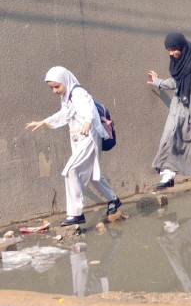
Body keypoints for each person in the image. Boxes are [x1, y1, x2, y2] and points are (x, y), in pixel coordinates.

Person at [25, 67, 121, 226]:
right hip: (78, 138)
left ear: (65, 81)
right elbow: (65, 115)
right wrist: (44, 122)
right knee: (92, 174)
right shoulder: (67, 97)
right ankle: (113, 200)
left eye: (57, 86)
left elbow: (88, 109)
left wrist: (87, 123)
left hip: (87, 137)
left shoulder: (78, 93)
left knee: (70, 171)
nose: (55, 90)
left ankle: (76, 214)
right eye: (52, 88)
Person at [148, 32, 191, 192]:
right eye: (169, 50)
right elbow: (177, 82)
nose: (171, 53)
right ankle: (168, 176)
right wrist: (158, 82)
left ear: (181, 46)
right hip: (178, 106)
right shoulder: (177, 62)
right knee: (168, 137)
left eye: (174, 49)